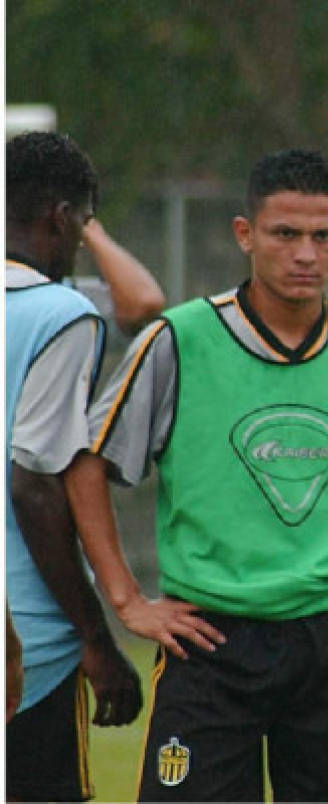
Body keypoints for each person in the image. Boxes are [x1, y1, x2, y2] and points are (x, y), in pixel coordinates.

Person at [65, 149, 328, 802]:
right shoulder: (177, 341)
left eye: (322, 236)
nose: (305, 253)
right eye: (285, 234)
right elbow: (86, 464)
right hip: (210, 642)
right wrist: (127, 599)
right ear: (246, 235)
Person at [5, 130, 143, 801]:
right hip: (24, 641)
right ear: (62, 217)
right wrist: (95, 640)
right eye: (84, 225)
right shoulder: (62, 314)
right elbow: (34, 484)